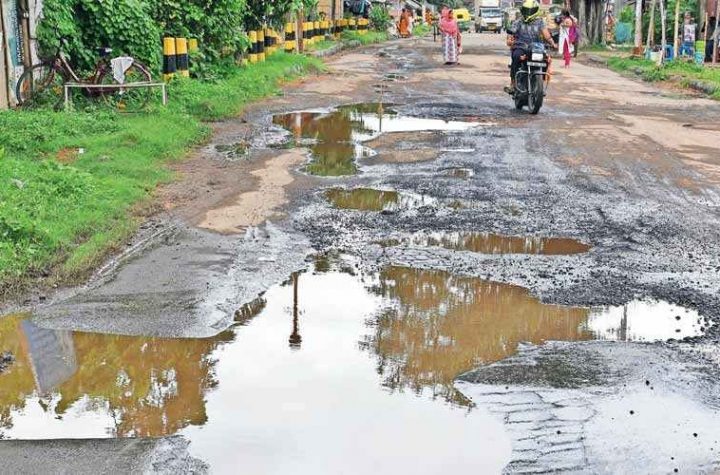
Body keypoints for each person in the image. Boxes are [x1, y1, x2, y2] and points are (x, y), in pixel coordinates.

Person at [505, 0, 557, 93]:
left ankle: (541, 81)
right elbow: (511, 33)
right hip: (521, 47)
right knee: (516, 57)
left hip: (536, 48)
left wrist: (553, 44)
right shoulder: (519, 22)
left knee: (545, 59)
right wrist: (509, 40)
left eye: (530, 11)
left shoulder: (540, 22)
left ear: (536, 11)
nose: (528, 13)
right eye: (526, 10)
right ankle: (513, 84)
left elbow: (547, 36)